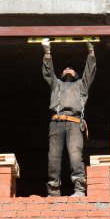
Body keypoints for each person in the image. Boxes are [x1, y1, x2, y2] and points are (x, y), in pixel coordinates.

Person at [42, 38, 96, 197]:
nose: (68, 69)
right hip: (57, 123)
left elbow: (89, 72)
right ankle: (53, 191)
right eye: (65, 68)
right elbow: (48, 72)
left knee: (75, 156)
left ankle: (79, 189)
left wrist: (91, 53)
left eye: (71, 68)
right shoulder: (56, 85)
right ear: (61, 74)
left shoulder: (81, 86)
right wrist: (47, 52)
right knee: (53, 157)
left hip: (74, 124)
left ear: (76, 74)